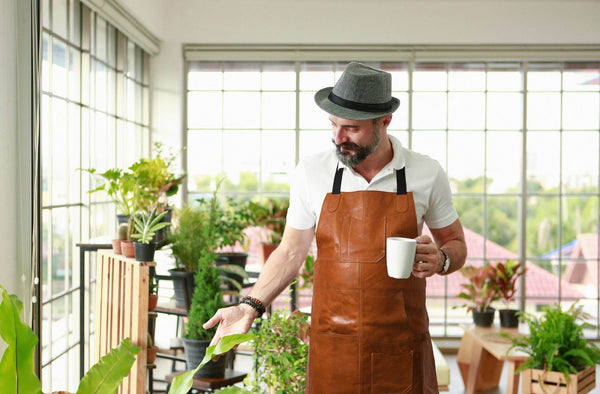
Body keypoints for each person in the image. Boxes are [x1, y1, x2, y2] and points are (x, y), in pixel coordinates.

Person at [204, 62, 467, 393]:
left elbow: (456, 243)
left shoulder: (425, 172)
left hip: (401, 348)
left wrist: (441, 258)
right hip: (334, 351)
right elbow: (289, 252)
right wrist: (249, 306)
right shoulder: (312, 171)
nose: (339, 138)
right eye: (333, 124)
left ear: (384, 121)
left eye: (352, 129)